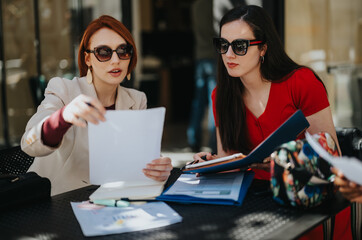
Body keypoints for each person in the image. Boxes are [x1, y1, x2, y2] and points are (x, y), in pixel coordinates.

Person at [192, 5, 351, 239]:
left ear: (263, 48)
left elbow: (331, 156)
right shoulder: (221, 95)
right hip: (255, 206)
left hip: (307, 203)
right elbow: (231, 162)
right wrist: (211, 164)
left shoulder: (301, 83)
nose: (228, 55)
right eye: (223, 45)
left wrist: (281, 163)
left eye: (240, 46)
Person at [21, 15, 172, 196]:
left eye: (123, 50)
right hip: (56, 200)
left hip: (107, 200)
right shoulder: (63, 89)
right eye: (103, 52)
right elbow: (29, 144)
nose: (115, 60)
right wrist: (63, 117)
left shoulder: (137, 99)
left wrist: (158, 166)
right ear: (87, 59)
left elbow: (135, 160)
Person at [187, 0, 217, 153]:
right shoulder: (212, 4)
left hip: (200, 55)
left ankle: (193, 139)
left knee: (198, 101)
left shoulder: (196, 5)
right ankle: (213, 142)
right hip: (213, 55)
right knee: (214, 100)